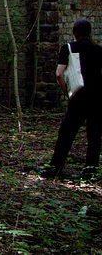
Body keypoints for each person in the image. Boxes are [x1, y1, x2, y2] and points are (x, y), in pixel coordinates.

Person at [37, 19, 102, 179]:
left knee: (66, 133)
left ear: (74, 32)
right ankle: (91, 170)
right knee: (94, 134)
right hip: (97, 97)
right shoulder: (99, 49)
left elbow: (59, 73)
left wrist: (66, 92)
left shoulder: (68, 48)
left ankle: (56, 167)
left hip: (78, 96)